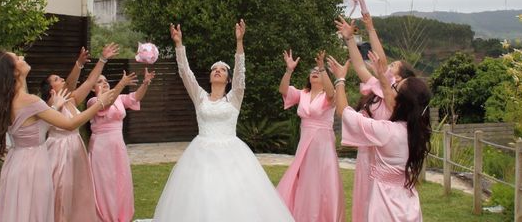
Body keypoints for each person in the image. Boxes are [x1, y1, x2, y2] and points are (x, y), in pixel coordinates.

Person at [150, 20, 295, 222]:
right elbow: (185, 72)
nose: (217, 70)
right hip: (200, 154)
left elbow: (240, 73)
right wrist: (178, 44)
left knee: (234, 197)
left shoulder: (234, 98)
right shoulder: (199, 96)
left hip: (232, 153)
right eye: (214, 69)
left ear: (228, 80)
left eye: (222, 70)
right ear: (210, 77)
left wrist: (239, 41)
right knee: (202, 196)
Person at [0, 51, 136, 222]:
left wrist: (55, 107)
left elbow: (33, 126)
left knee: (22, 213)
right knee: (37, 212)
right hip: (33, 164)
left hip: (17, 162)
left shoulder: (10, 99)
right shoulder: (30, 101)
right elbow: (70, 124)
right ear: (14, 72)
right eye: (17, 58)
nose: (22, 57)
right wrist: (100, 103)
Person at [328, 52, 432, 222]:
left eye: (396, 87)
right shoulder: (418, 131)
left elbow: (343, 112)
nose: (391, 88)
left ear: (400, 101)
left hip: (385, 202)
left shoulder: (386, 131)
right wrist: (383, 77)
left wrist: (340, 80)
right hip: (408, 202)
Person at [335, 15, 416, 222]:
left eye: (392, 66)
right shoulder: (377, 88)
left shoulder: (394, 99)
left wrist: (371, 29)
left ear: (398, 78)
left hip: (384, 154)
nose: (386, 65)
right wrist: (350, 40)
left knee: (380, 202)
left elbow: (379, 59)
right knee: (364, 199)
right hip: (367, 151)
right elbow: (359, 65)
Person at [40, 43, 124, 222]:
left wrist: (102, 59)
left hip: (76, 148)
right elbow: (70, 84)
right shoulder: (49, 105)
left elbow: (88, 82)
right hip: (58, 150)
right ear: (50, 88)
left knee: (78, 192)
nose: (61, 78)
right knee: (60, 191)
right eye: (56, 78)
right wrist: (78, 65)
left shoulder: (71, 99)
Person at [276, 49, 344, 221]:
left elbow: (330, 93)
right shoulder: (303, 94)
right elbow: (283, 90)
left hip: (323, 145)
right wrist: (289, 70)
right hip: (305, 143)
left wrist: (322, 67)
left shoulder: (330, 96)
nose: (314, 73)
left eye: (318, 72)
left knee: (321, 181)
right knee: (305, 180)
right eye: (312, 71)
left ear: (324, 76)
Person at [88, 68, 156, 222]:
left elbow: (135, 97)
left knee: (120, 180)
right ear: (92, 88)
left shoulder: (118, 98)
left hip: (118, 146)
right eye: (99, 81)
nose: (104, 83)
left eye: (105, 80)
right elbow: (105, 103)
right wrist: (121, 83)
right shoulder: (93, 101)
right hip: (101, 147)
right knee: (104, 182)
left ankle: (121, 215)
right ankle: (104, 217)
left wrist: (145, 83)